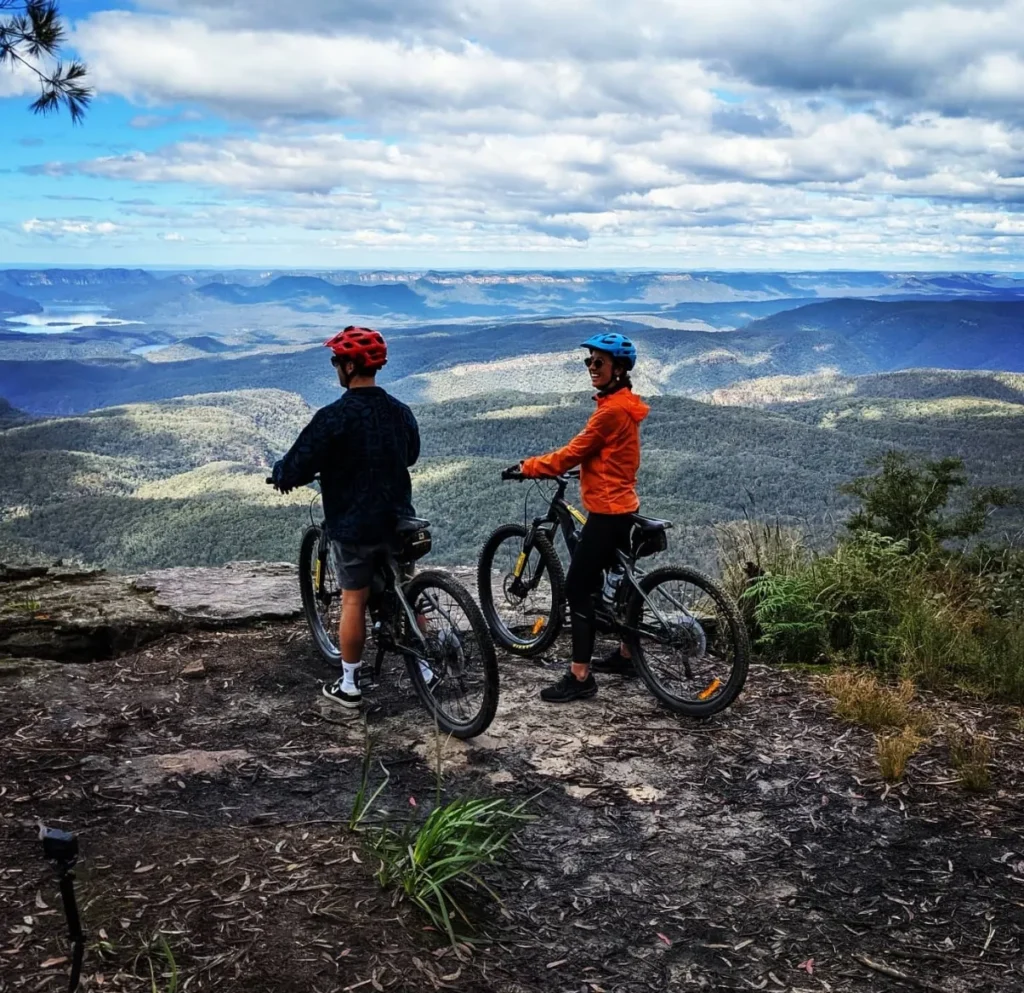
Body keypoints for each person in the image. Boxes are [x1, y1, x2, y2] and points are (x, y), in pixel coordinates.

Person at [271, 326, 422, 710]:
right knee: (408, 592)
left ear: (351, 365)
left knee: (353, 599)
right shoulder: (399, 411)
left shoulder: (333, 417)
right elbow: (410, 455)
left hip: (354, 524)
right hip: (400, 518)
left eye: (337, 361)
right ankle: (427, 666)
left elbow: (299, 461)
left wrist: (283, 475)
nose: (335, 366)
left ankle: (350, 683)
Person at [518, 331, 649, 703]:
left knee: (578, 588)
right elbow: (610, 455)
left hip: (607, 512)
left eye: (599, 362)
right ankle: (627, 654)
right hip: (624, 504)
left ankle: (580, 676)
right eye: (589, 361)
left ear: (619, 369)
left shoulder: (610, 412)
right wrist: (594, 468)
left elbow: (571, 453)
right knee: (617, 583)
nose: (591, 368)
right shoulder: (624, 404)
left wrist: (529, 466)